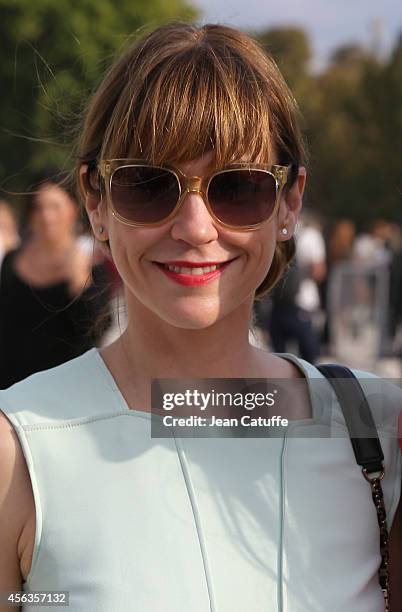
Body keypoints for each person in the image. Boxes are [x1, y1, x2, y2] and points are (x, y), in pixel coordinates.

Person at [0, 23, 400, 612]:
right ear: (95, 199)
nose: (195, 228)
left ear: (289, 202)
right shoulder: (19, 451)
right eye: (147, 185)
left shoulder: (378, 432)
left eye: (238, 187)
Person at [0, 172, 112, 388]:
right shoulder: (11, 262)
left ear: (72, 209)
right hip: (11, 388)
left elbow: (98, 331)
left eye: (55, 207)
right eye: (39, 207)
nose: (46, 216)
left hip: (67, 390)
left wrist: (79, 283)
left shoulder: (91, 263)